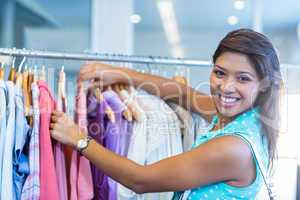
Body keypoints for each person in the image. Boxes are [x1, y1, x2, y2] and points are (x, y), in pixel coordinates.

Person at [50, 28, 283, 199]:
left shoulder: (232, 148)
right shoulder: (245, 117)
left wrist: (79, 139)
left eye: (243, 78)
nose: (226, 87)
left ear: (264, 84)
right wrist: (120, 73)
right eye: (220, 73)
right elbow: (183, 94)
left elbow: (139, 179)